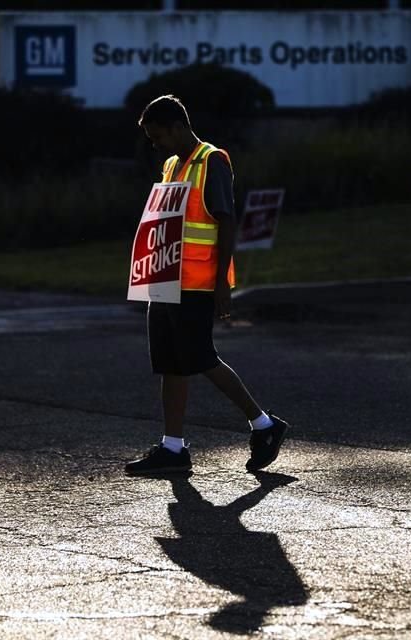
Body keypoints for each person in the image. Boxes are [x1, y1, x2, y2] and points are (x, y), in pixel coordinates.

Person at [125, 94, 289, 474]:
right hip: (166, 279)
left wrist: (221, 284)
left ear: (179, 127)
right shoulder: (171, 165)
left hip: (197, 283)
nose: (156, 145)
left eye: (158, 136)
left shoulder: (211, 161)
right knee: (170, 362)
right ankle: (173, 448)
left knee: (199, 357)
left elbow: (225, 220)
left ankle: (263, 424)